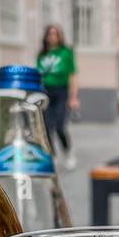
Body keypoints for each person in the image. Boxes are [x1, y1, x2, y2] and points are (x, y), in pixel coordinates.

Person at [37, 24, 79, 171]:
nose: (52, 37)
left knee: (60, 126)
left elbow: (72, 75)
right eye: (50, 34)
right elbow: (39, 75)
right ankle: (52, 156)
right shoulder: (42, 54)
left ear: (59, 36)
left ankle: (68, 152)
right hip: (45, 92)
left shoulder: (66, 53)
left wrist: (73, 97)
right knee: (47, 127)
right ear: (46, 36)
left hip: (61, 92)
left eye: (55, 34)